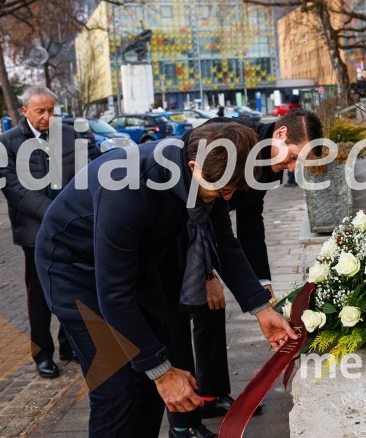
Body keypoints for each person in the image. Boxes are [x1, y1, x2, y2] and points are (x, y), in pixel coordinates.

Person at [35, 123, 297, 438]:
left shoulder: (212, 172)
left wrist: (262, 308)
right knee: (116, 386)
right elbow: (114, 294)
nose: (226, 198)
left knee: (148, 374)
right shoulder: (127, 185)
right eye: (223, 192)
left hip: (135, 266)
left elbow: (224, 243)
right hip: (73, 269)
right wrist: (162, 373)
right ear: (193, 167)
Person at [170, 110, 322, 434]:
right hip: (180, 226)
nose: (292, 168)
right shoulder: (228, 140)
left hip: (212, 226)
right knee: (187, 308)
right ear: (281, 135)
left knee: (214, 307)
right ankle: (184, 422)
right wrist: (207, 275)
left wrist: (262, 286)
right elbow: (197, 210)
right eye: (293, 157)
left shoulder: (269, 165)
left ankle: (210, 394)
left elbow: (251, 222)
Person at [0, 86, 100, 379]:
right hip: (35, 232)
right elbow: (15, 190)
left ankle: (70, 345)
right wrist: (56, 214)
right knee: (39, 297)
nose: (46, 116)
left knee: (74, 289)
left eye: (51, 110)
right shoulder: (7, 142)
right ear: (25, 111)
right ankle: (42, 353)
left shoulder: (71, 134)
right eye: (40, 111)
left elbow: (88, 171)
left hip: (71, 228)